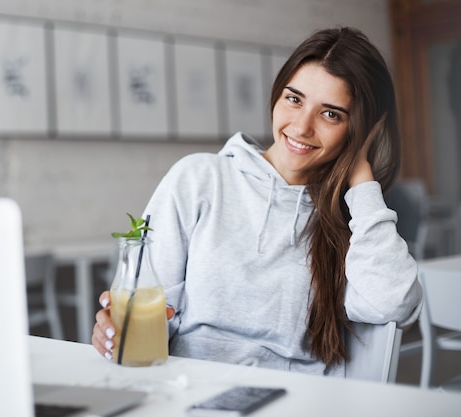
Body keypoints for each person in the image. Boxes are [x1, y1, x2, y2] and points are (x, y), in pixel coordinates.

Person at [92, 27, 423, 376]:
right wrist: (119, 329)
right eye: (294, 99)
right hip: (191, 389)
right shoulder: (198, 179)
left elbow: (394, 302)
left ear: (360, 128)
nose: (301, 127)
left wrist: (361, 176)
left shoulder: (352, 218)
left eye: (331, 114)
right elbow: (151, 309)